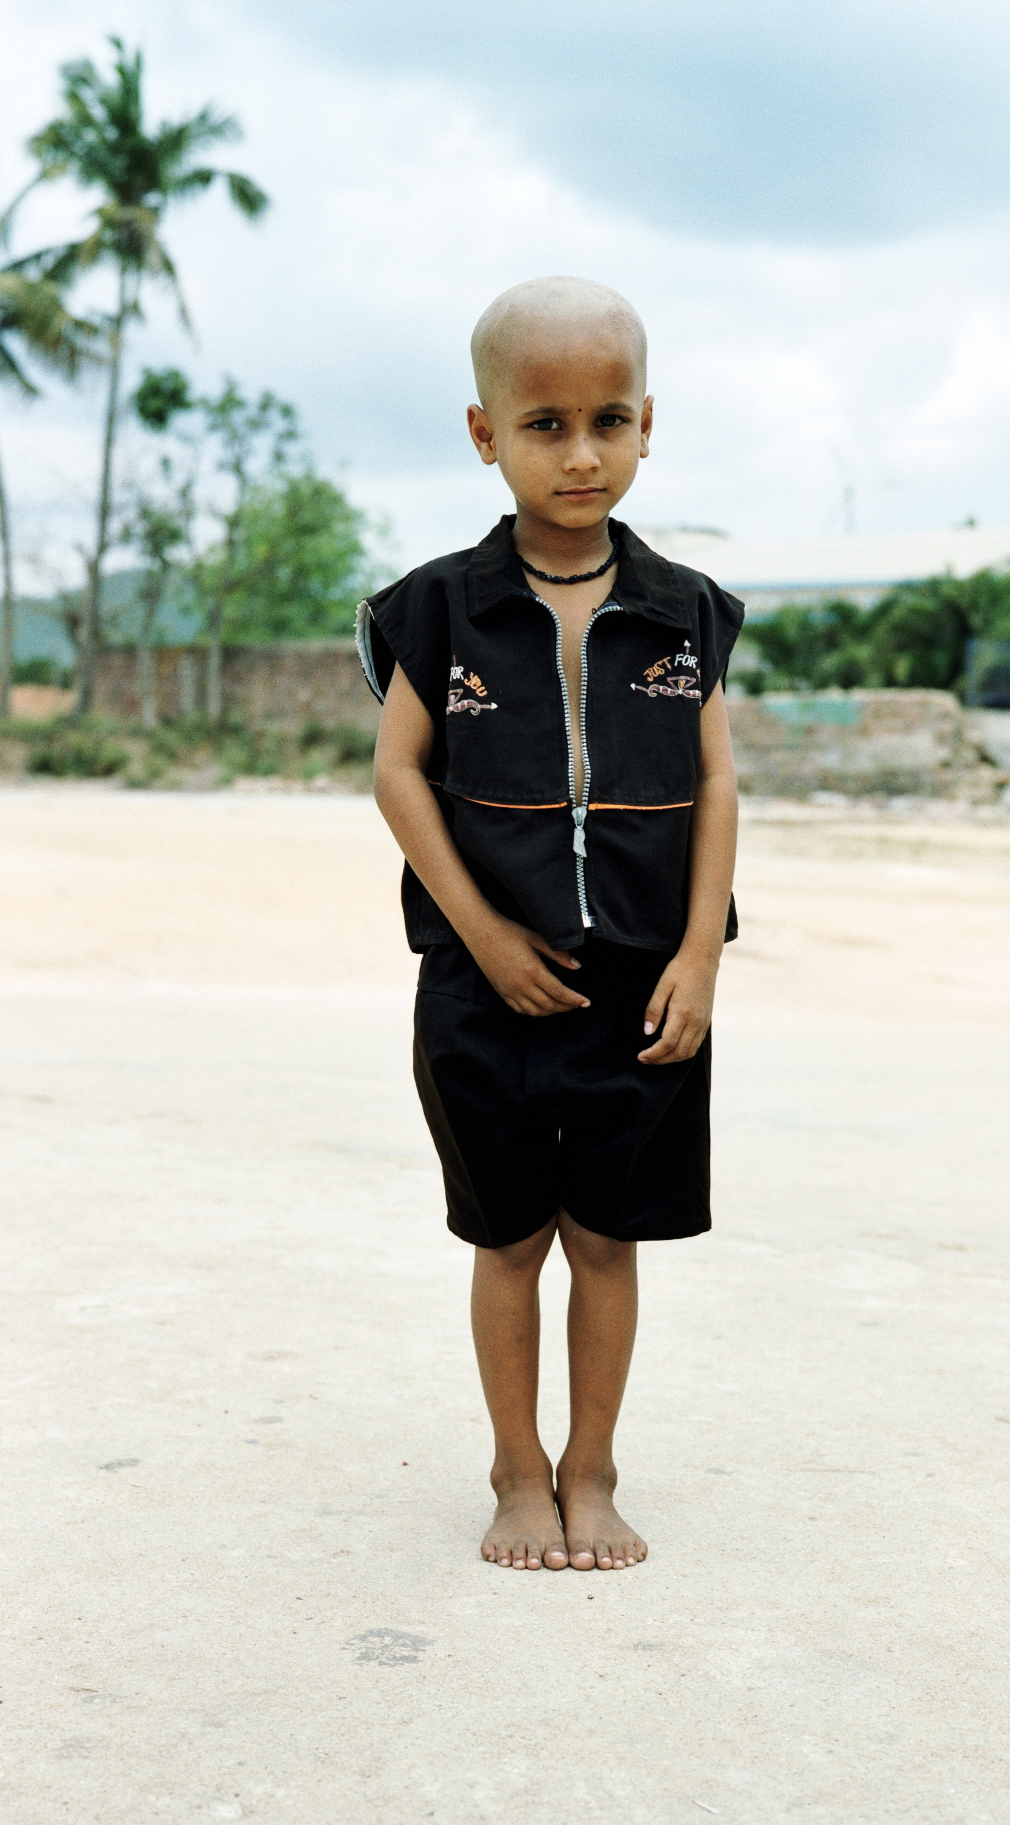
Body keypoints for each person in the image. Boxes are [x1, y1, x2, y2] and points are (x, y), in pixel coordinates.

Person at [359, 276, 743, 1572]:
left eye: (608, 420)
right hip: (484, 990)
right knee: (511, 1240)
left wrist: (699, 957)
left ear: (646, 425)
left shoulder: (686, 608)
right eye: (544, 425)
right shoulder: (440, 606)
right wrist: (481, 935)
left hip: (641, 989)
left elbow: (717, 783)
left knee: (607, 1241)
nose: (581, 454)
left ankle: (593, 1469)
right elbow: (397, 773)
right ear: (486, 433)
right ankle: (516, 1473)